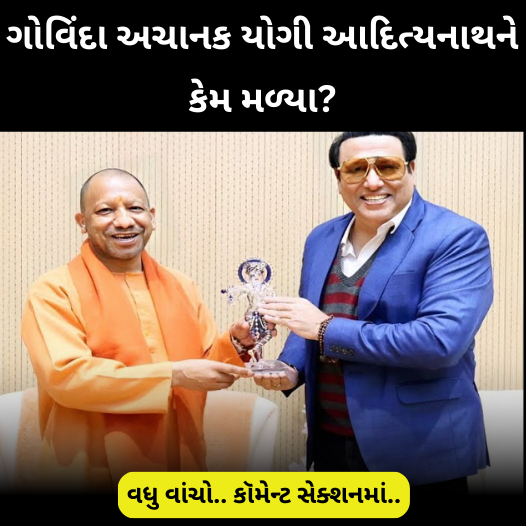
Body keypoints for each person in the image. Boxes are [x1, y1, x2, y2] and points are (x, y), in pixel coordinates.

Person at [254, 132, 493, 499]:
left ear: (411, 169)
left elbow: (440, 342)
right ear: (339, 177)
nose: (372, 181)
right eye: (355, 169)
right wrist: (290, 368)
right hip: (331, 443)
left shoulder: (456, 237)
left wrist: (325, 328)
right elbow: (311, 320)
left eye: (387, 167)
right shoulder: (321, 238)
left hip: (420, 450)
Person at [21, 168, 262, 494]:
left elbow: (203, 364)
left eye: (135, 208)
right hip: (87, 465)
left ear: (152, 216)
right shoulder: (54, 290)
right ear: (82, 222)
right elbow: (67, 377)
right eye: (105, 210)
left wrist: (235, 343)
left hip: (178, 465)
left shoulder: (181, 285)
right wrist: (173, 375)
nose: (123, 221)